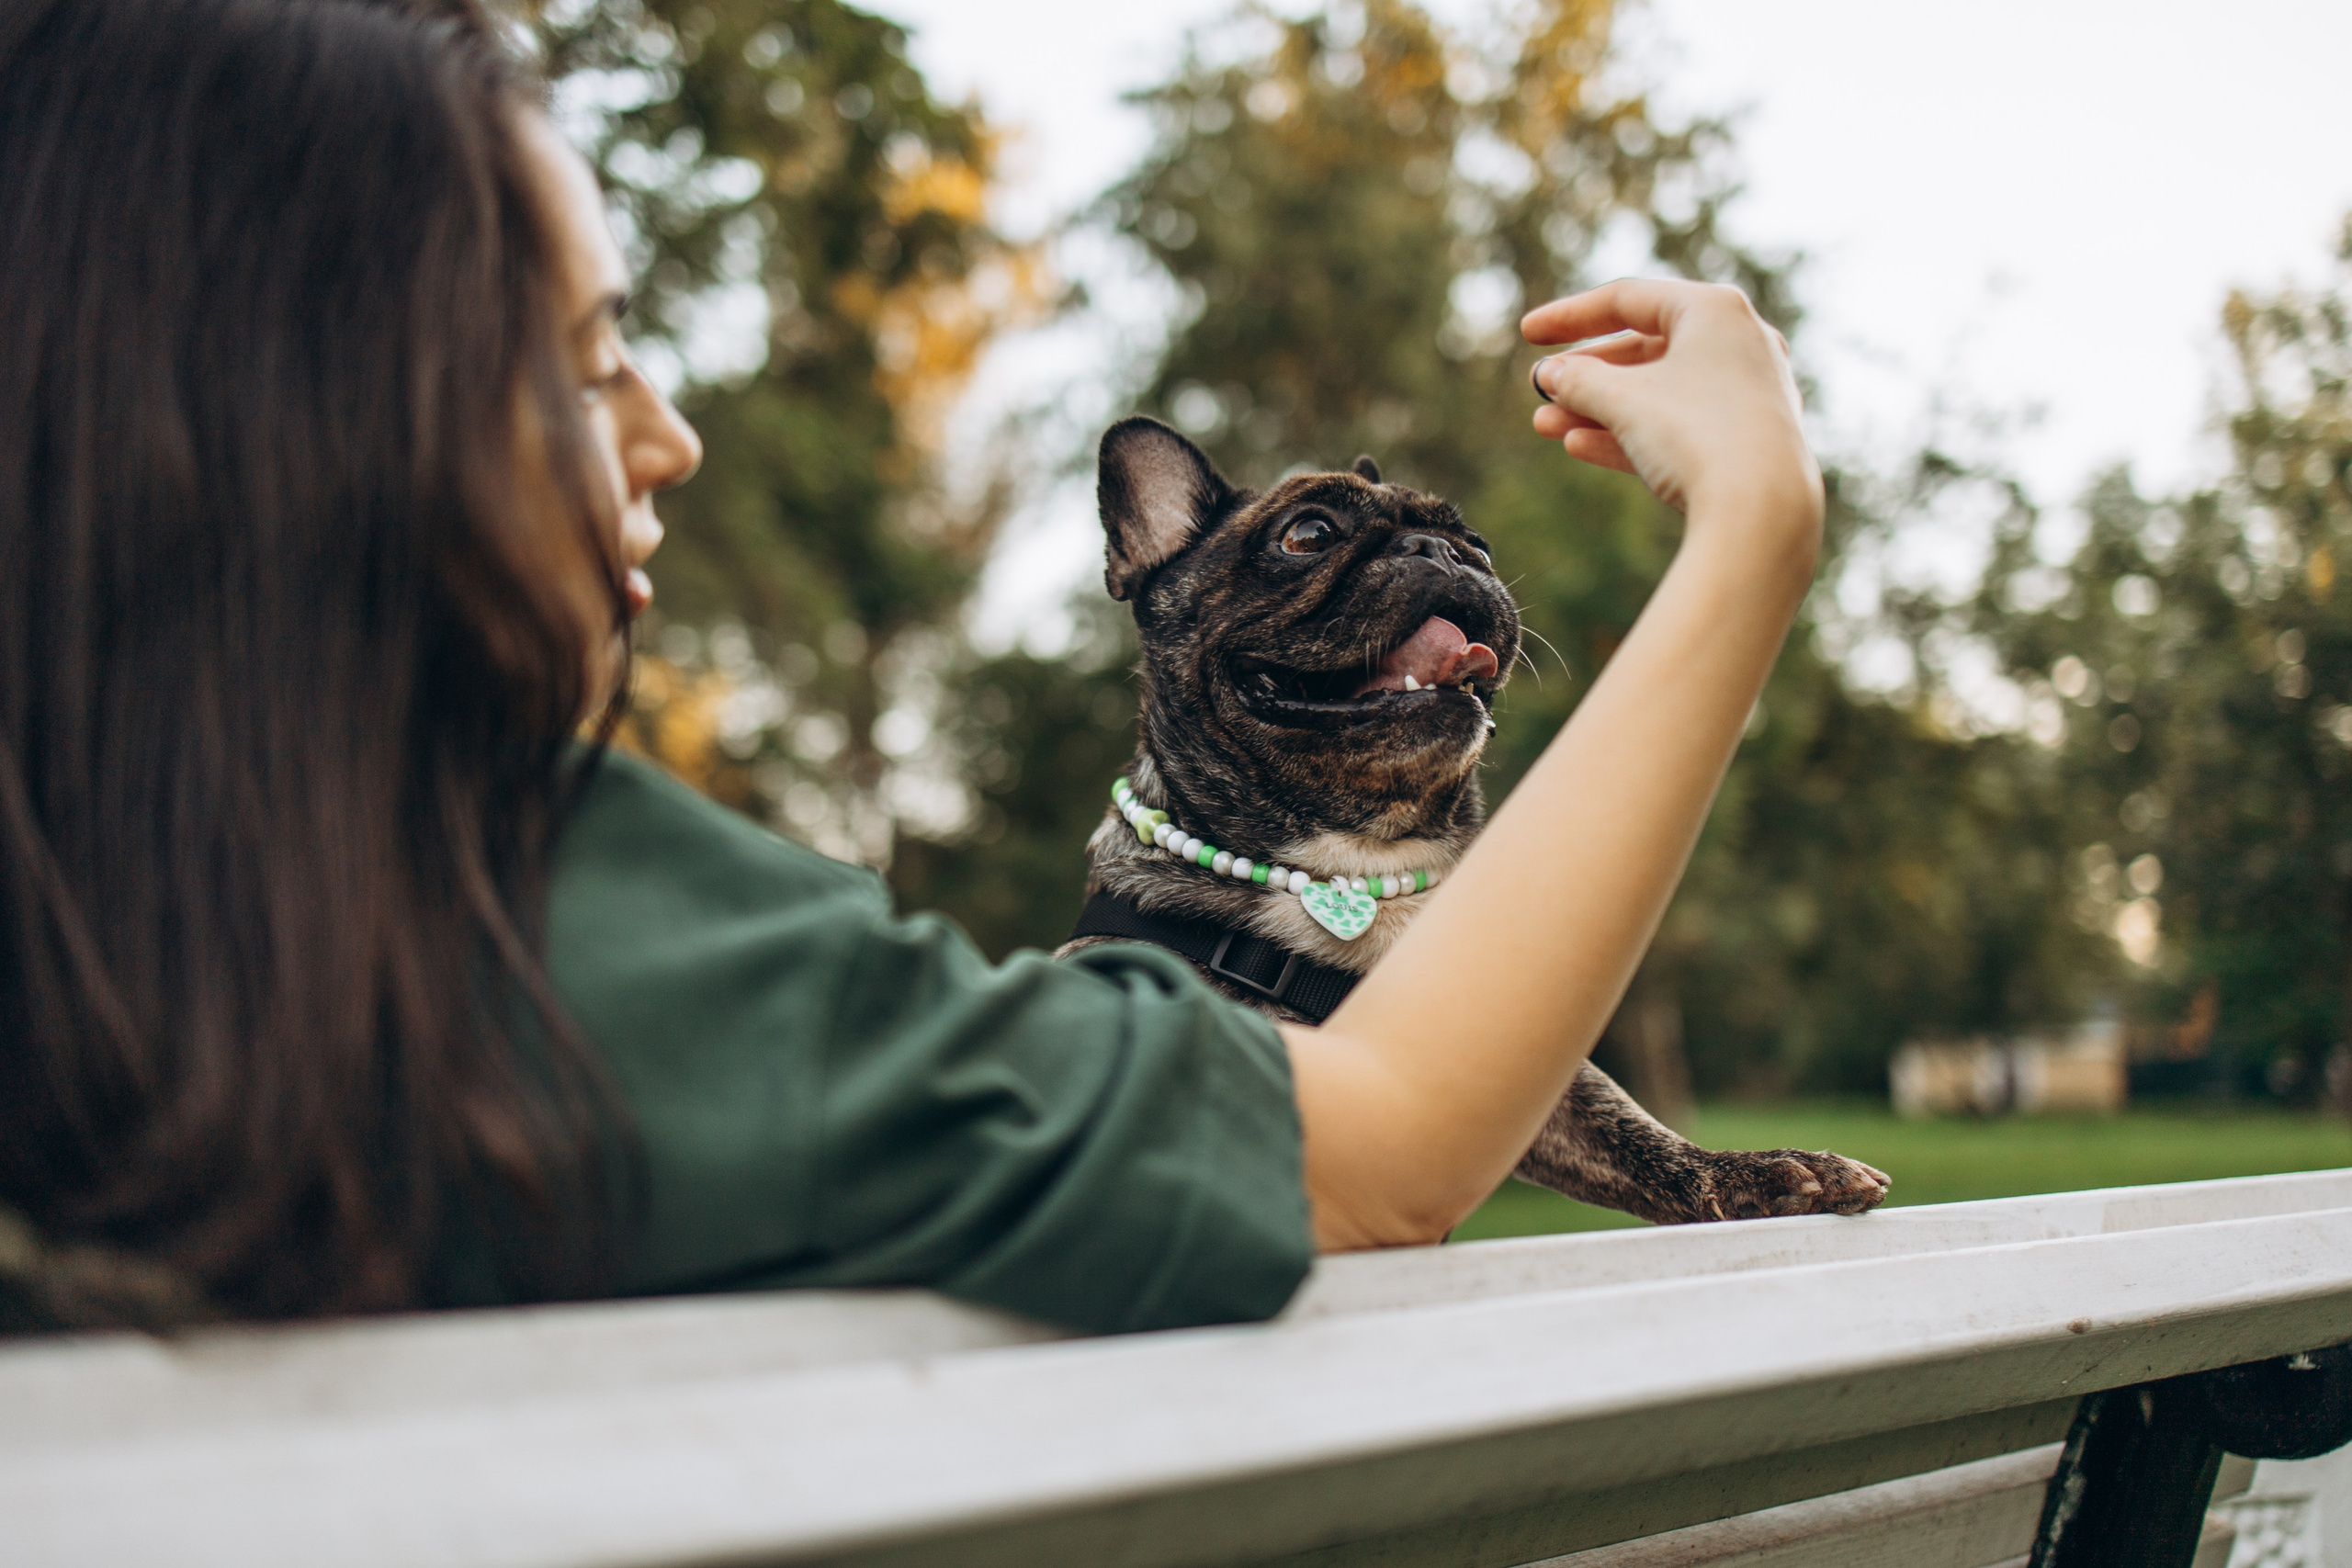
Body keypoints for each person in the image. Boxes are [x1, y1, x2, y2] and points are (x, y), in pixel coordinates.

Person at [0, 0, 1826, 1337]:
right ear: (288, 432)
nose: (670, 432)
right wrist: (1748, 527)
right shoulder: (566, 926)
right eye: (578, 360)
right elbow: (1388, 1145)